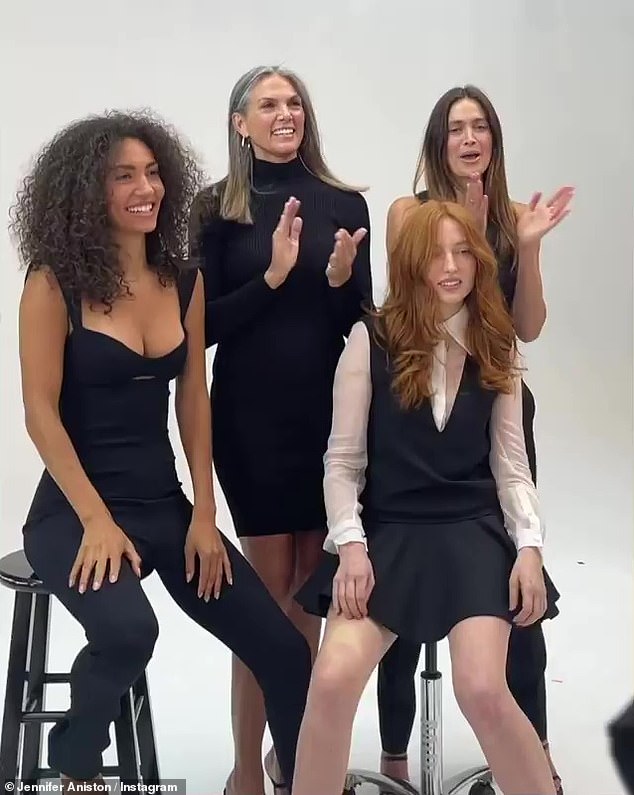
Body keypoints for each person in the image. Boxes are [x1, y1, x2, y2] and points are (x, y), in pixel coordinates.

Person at [10, 110, 311, 793]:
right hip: (74, 513)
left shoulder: (183, 279)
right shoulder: (53, 283)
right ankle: (75, 765)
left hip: (164, 509)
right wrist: (95, 519)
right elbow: (39, 413)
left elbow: (193, 401)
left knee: (287, 653)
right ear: (88, 191)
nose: (145, 187)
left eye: (152, 172)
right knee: (127, 632)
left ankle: (299, 780)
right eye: (124, 176)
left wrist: (204, 514)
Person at [292, 199, 561, 795]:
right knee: (333, 679)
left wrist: (530, 548)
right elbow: (342, 463)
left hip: (471, 531)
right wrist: (352, 548)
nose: (451, 265)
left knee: (483, 689)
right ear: (411, 262)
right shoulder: (372, 338)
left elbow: (512, 467)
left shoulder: (497, 342)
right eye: (436, 251)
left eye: (463, 250)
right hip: (387, 535)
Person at [377, 84, 573, 794]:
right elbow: (409, 304)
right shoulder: (411, 212)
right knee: (402, 587)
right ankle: (396, 757)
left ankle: (535, 754)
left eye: (480, 126)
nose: (469, 137)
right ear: (439, 140)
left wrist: (526, 248)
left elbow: (526, 328)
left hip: (495, 406)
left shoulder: (517, 215)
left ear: (493, 139)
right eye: (456, 127)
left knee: (518, 584)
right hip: (419, 409)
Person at [188, 65, 372, 795]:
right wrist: (269, 278)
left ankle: (298, 763)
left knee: (307, 595)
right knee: (266, 602)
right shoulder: (214, 211)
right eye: (268, 104)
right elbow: (195, 332)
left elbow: (358, 329)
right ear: (240, 123)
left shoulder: (343, 202)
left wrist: (335, 284)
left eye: (294, 101)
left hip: (325, 421)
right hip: (249, 420)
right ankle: (246, 770)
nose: (285, 112)